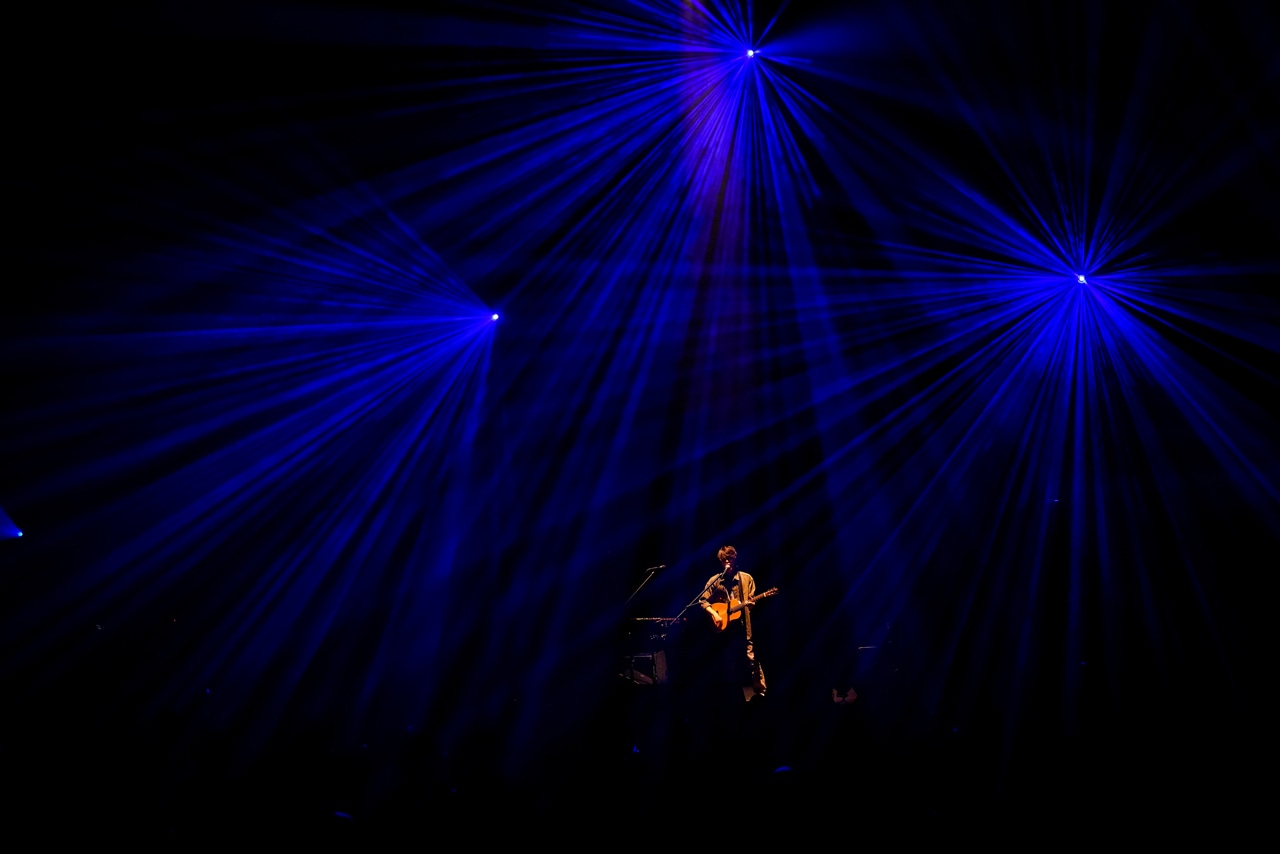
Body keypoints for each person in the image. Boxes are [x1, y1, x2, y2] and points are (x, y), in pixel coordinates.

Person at [698, 545, 767, 700]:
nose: (727, 562)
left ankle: (761, 692)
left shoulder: (746, 578)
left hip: (743, 625)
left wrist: (751, 603)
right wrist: (715, 613)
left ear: (735, 558)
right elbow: (703, 601)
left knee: (751, 658)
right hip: (725, 629)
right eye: (724, 560)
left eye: (730, 558)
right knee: (729, 662)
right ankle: (732, 697)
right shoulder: (715, 580)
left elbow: (751, 599)